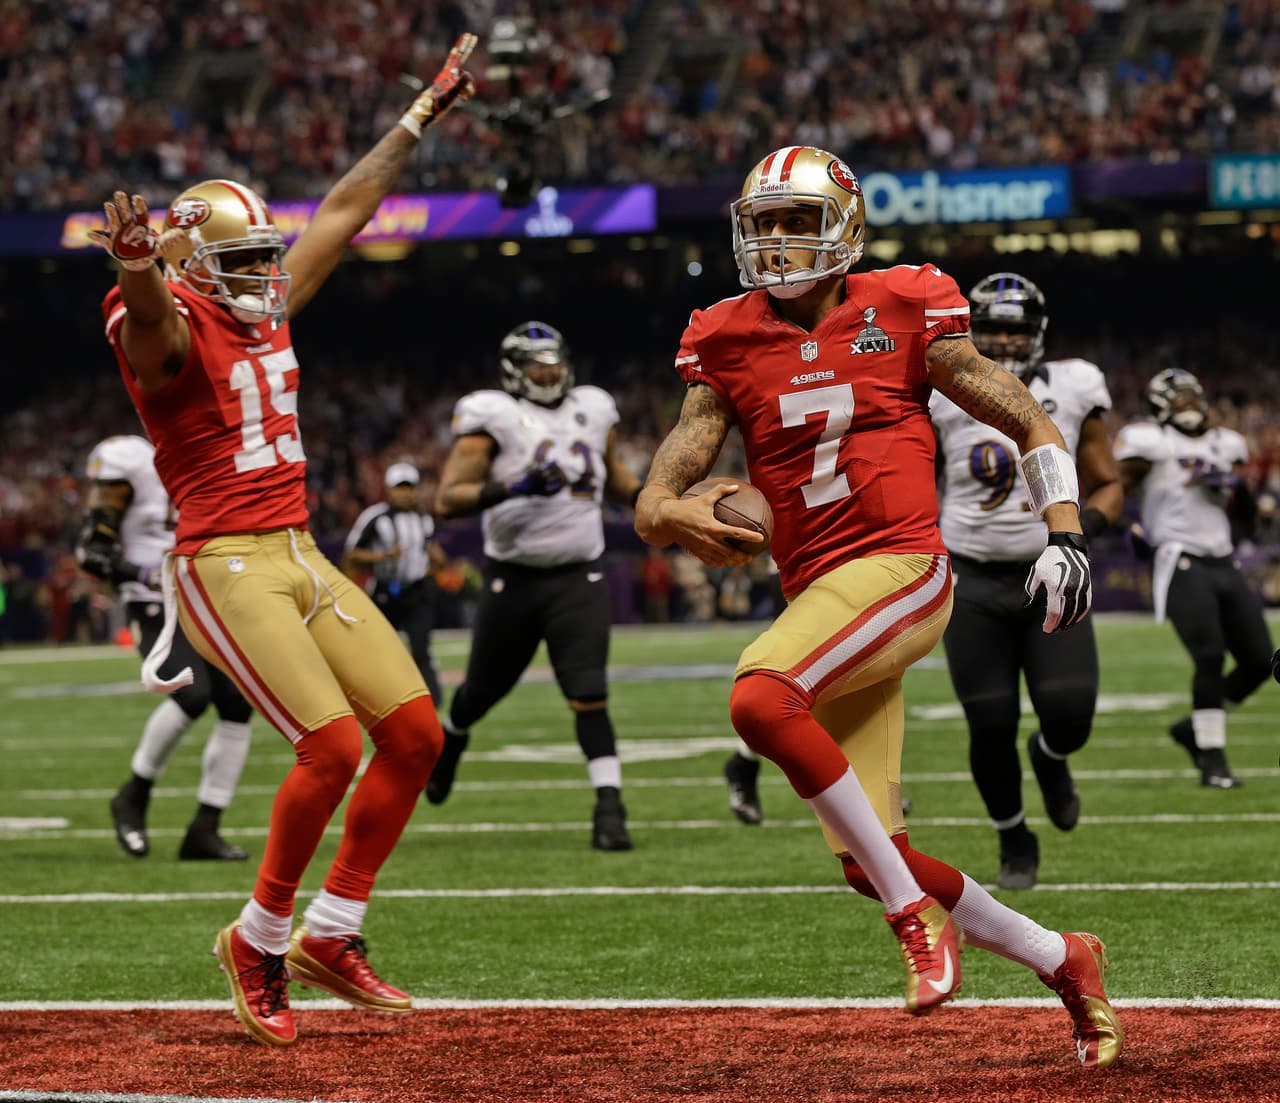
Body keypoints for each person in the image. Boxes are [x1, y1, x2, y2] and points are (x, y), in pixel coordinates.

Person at [635, 146, 1122, 1068]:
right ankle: (1066, 957)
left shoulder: (905, 303)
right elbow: (680, 457)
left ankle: (917, 918)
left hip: (903, 571)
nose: (776, 242)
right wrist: (660, 505)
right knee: (868, 857)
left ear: (845, 227)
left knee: (758, 695)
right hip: (824, 595)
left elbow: (1022, 413)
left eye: (796, 221)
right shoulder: (725, 335)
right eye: (762, 223)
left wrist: (1064, 529)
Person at [89, 34, 478, 1048]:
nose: (266, 276)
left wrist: (416, 117)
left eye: (266, 255)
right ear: (186, 270)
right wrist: (137, 272)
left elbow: (345, 210)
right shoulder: (166, 325)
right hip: (221, 559)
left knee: (414, 734)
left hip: (299, 549)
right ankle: (257, 936)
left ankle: (331, 930)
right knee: (331, 743)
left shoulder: (254, 302)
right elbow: (149, 329)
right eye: (243, 261)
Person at [930, 273, 1123, 889]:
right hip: (973, 577)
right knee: (989, 723)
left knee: (1069, 714)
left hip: (1052, 570)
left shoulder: (1073, 384)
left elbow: (1110, 481)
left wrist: (1078, 529)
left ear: (1039, 334)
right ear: (970, 332)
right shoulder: (937, 390)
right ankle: (1013, 835)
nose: (1007, 341)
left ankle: (1051, 757)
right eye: (993, 329)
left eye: (1017, 330)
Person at [423, 320, 644, 851]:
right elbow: (447, 498)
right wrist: (513, 485)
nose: (547, 373)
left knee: (589, 692)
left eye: (553, 362)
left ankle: (610, 807)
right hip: (514, 578)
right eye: (535, 365)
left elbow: (615, 477)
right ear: (512, 371)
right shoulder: (493, 416)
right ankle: (452, 740)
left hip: (579, 572)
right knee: (480, 693)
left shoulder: (593, 408)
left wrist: (662, 500)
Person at [77, 433, 254, 862]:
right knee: (191, 692)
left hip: (207, 599)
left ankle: (205, 827)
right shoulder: (130, 459)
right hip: (154, 602)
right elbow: (92, 550)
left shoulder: (217, 448)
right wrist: (141, 572)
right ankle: (133, 794)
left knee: (238, 701)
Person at [1115, 368, 1273, 788]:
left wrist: (1236, 489)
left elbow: (1250, 523)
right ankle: (1212, 758)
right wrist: (1127, 531)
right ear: (1160, 406)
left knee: (1260, 661)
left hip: (1223, 558)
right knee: (1209, 656)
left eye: (1191, 394)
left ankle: (1195, 728)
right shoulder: (1151, 442)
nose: (1187, 402)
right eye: (1177, 397)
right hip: (1177, 556)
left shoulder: (1227, 444)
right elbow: (1113, 488)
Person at [343, 462, 449, 702]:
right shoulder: (375, 516)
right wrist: (383, 556)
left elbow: (430, 547)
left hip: (417, 590)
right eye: (400, 488)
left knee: (421, 647)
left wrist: (437, 558)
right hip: (385, 591)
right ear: (389, 489)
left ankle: (431, 699)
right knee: (379, 648)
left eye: (409, 487)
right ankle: (381, 695)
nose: (405, 493)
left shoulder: (424, 518)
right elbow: (352, 554)